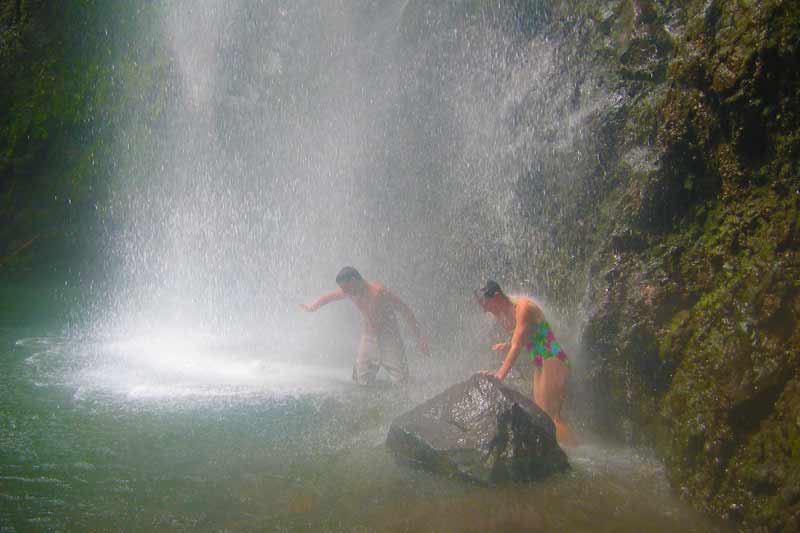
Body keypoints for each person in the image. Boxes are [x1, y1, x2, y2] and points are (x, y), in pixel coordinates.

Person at [475, 279, 576, 446]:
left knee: (551, 418)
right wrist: (507, 344)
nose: (484, 309)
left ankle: (575, 453)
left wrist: (500, 375)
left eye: (485, 303)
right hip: (541, 363)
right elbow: (524, 336)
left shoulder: (524, 308)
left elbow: (517, 346)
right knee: (544, 416)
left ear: (497, 296)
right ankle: (565, 451)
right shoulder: (508, 312)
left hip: (553, 360)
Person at [300, 267, 430, 386]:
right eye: (343, 289)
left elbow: (404, 309)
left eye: (346, 288)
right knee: (361, 379)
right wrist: (312, 308)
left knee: (401, 381)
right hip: (368, 336)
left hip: (388, 335)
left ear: (354, 280)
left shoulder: (379, 291)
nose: (344, 292)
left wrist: (420, 337)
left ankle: (413, 388)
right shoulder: (349, 291)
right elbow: (327, 298)